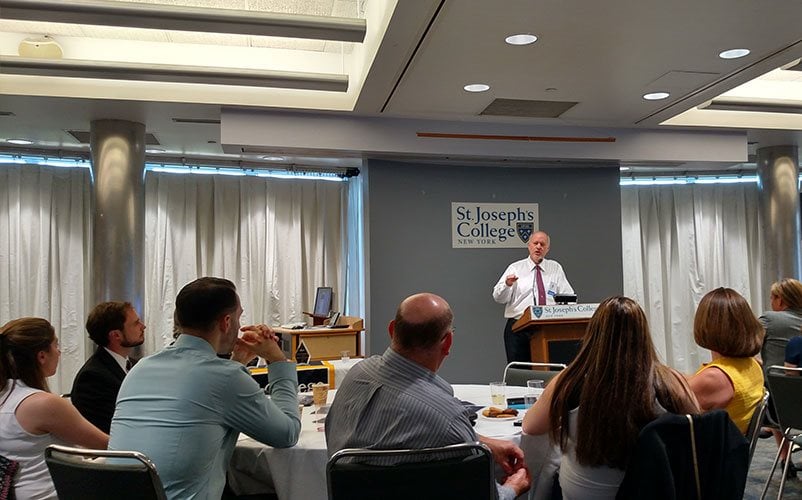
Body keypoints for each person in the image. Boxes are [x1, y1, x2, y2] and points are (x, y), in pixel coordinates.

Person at [109, 277, 301, 500]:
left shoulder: (140, 369)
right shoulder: (225, 377)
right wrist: (277, 361)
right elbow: (287, 434)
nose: (240, 326)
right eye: (239, 317)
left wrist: (236, 363)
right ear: (226, 322)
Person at [326, 293, 531, 500]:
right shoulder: (449, 420)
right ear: (447, 342)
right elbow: (487, 496)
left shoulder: (355, 375)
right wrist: (514, 486)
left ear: (391, 330)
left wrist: (480, 442)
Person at [522, 296, 699, 499]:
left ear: (594, 334)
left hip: (583, 495)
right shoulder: (669, 382)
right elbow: (696, 429)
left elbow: (530, 426)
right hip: (650, 492)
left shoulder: (571, 380)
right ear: (643, 334)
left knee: (550, 472)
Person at [0, 317, 109, 499]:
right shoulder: (42, 403)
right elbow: (106, 444)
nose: (59, 352)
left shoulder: (6, 397)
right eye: (56, 345)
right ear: (41, 356)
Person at [688, 287, 764, 434]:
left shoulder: (716, 378)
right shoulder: (753, 364)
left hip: (701, 454)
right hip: (729, 450)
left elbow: (666, 409)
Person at [492, 230, 574, 363]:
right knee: (519, 371)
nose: (538, 247)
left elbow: (568, 297)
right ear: (529, 246)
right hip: (519, 327)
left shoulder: (555, 268)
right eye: (535, 243)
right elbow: (498, 297)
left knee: (549, 368)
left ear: (547, 249)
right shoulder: (515, 268)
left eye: (542, 244)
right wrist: (507, 284)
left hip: (548, 328)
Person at [70, 301, 146, 433]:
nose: (143, 326)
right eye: (136, 323)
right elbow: (107, 428)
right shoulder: (92, 377)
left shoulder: (136, 365)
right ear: (116, 335)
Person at [757, 279, 802, 476]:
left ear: (781, 300)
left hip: (781, 406)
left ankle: (785, 457)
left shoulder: (769, 319)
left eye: (772, 298)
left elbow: (749, 347)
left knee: (775, 385)